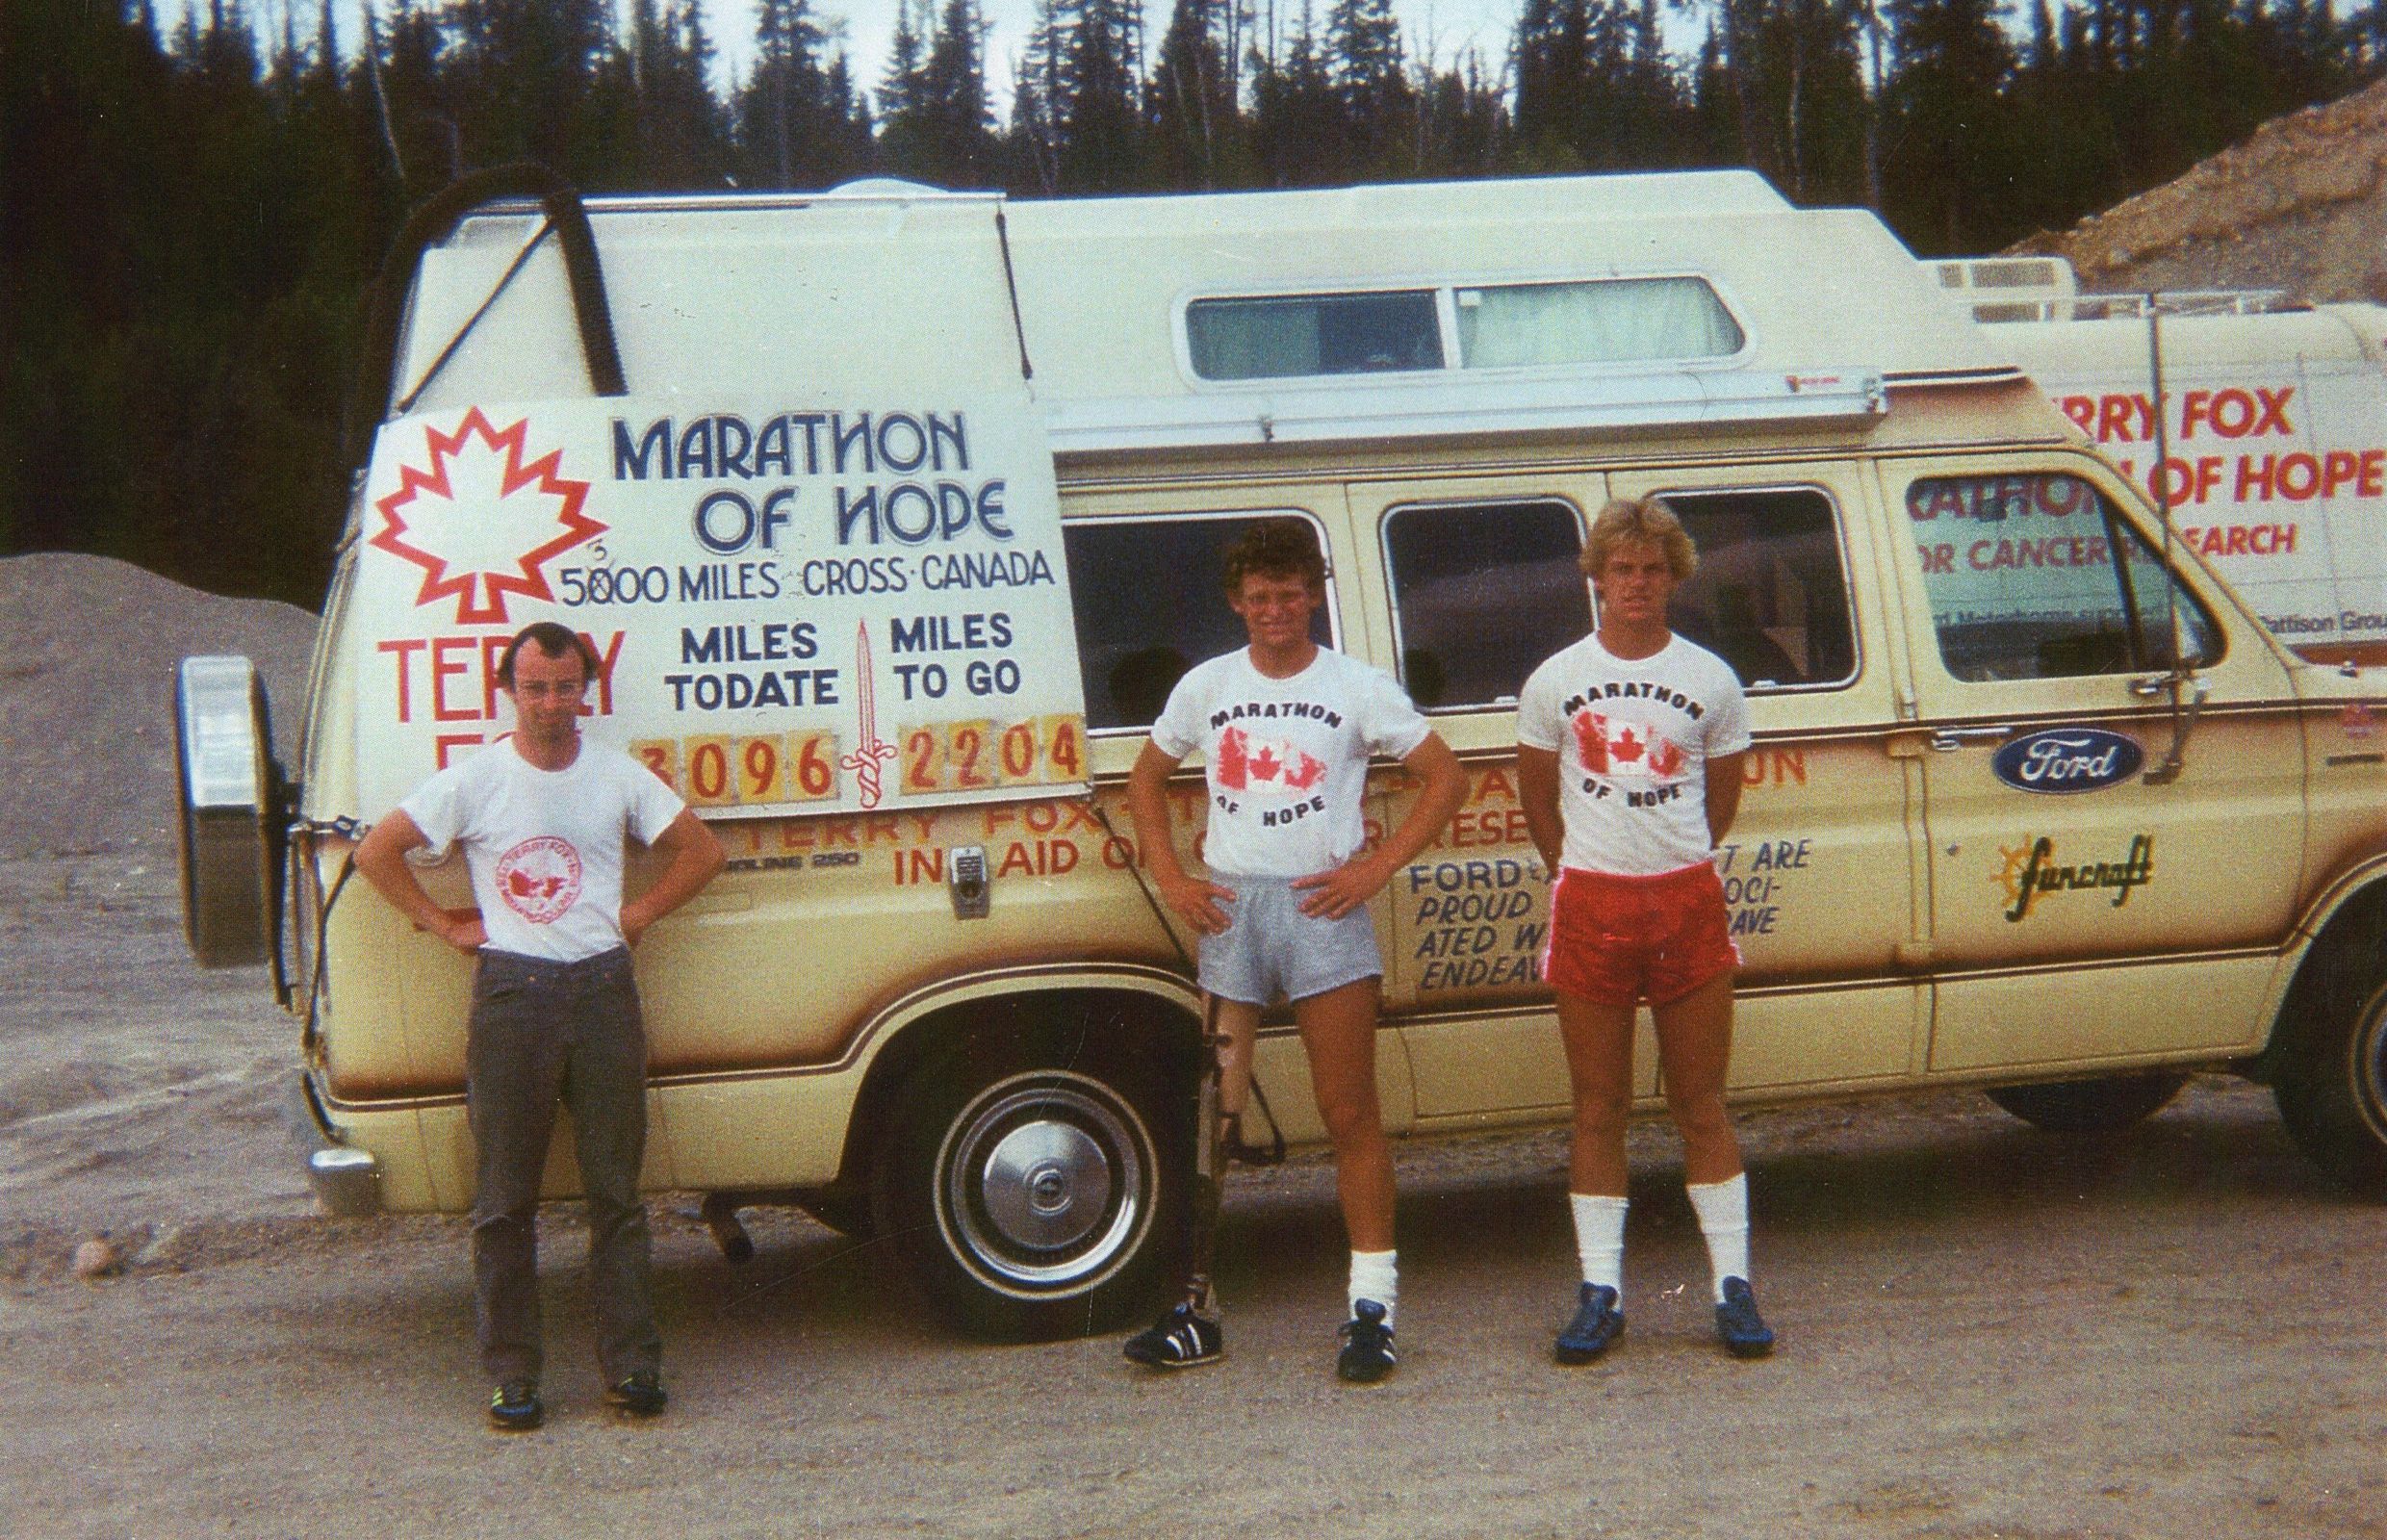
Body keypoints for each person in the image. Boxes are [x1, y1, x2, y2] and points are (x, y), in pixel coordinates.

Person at [353, 621, 725, 1429]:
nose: (551, 704)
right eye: (535, 688)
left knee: (616, 1196)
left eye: (565, 687)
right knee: (503, 1199)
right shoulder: (477, 778)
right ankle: (513, 1376)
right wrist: (444, 926)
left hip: (602, 989)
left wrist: (639, 915)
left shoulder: (618, 777)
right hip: (513, 996)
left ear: (585, 688)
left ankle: (632, 1369)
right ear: (509, 691)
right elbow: (376, 852)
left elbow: (702, 852)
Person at [1120, 520, 1467, 1382]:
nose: (1276, 611)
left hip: (1321, 905)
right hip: (1234, 910)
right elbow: (1144, 779)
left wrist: (1375, 868)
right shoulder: (1207, 685)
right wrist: (1175, 879)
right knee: (1217, 1110)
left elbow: (1445, 776)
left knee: (1348, 1110)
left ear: (1314, 595)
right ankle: (1198, 1305)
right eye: (1260, 598)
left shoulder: (1356, 684)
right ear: (1238, 604)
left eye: (1291, 594)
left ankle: (1372, 1310)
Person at [1515, 496, 1776, 1365]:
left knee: (1701, 1102)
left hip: (1686, 900)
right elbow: (1538, 800)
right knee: (1600, 1106)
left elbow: (1722, 799)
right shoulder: (1554, 679)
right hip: (1592, 904)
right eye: (1622, 569)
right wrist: (1585, 867)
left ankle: (1732, 1288)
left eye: (1653, 569)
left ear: (1674, 577)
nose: (1637, 584)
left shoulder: (1711, 678)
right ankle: (1602, 1293)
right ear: (1596, 578)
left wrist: (1672, 856)